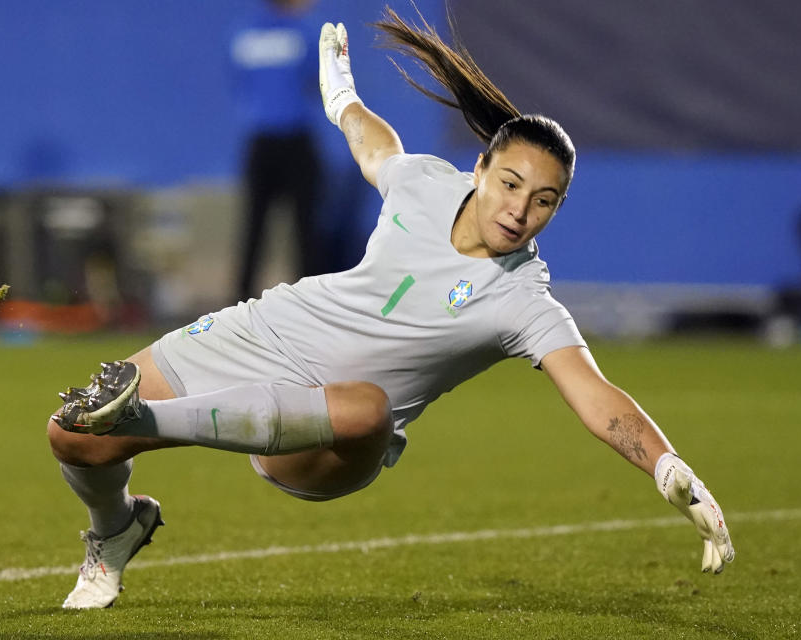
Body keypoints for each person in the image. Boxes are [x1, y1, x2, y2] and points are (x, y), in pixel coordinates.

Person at [47, 8, 735, 610]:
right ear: (481, 170)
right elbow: (375, 144)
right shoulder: (426, 186)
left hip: (333, 438)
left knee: (368, 407)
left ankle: (145, 419)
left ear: (558, 208)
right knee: (72, 432)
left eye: (544, 200)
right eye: (511, 184)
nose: (520, 210)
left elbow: (596, 396)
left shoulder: (525, 299)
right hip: (264, 331)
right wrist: (341, 93)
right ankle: (116, 529)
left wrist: (670, 468)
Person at [228, 0, 325, 300]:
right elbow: (317, 78)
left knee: (254, 229)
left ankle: (238, 306)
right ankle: (312, 303)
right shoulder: (304, 31)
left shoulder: (242, 33)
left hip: (260, 141)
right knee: (305, 230)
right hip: (295, 139)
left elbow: (239, 80)